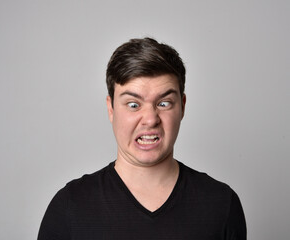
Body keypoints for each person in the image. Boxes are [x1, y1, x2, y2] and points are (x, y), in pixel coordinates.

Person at [38, 37, 246, 240]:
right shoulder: (70, 206)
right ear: (111, 109)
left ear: (182, 106)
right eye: (133, 105)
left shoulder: (221, 204)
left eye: (164, 103)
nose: (150, 119)